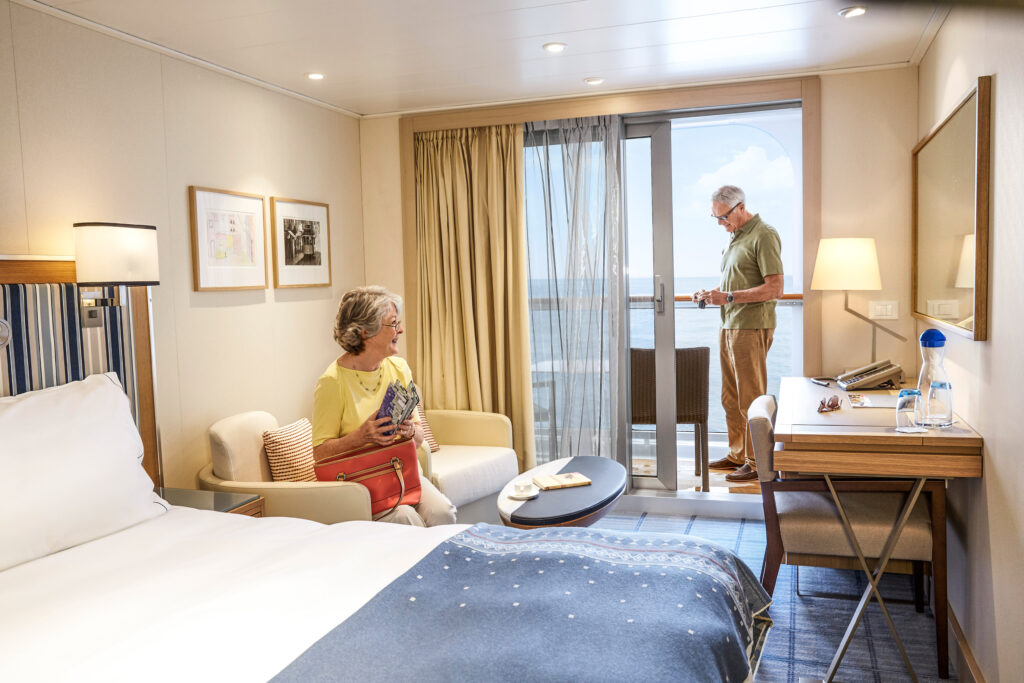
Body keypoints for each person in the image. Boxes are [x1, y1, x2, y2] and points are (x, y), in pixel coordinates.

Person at [312, 286, 456, 526]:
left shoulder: (399, 368)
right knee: (407, 518)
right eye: (393, 323)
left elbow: (419, 438)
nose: (400, 329)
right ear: (366, 332)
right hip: (362, 487)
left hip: (402, 474)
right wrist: (360, 436)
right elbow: (319, 454)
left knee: (444, 512)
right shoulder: (332, 382)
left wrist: (411, 431)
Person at [693, 186, 784, 483]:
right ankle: (736, 454)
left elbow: (775, 289)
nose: (721, 223)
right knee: (730, 397)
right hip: (729, 324)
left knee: (750, 397)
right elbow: (737, 282)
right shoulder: (735, 237)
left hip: (751, 325)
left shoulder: (764, 234)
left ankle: (757, 462)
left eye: (724, 217)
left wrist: (729, 297)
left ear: (741, 207)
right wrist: (712, 295)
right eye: (715, 218)